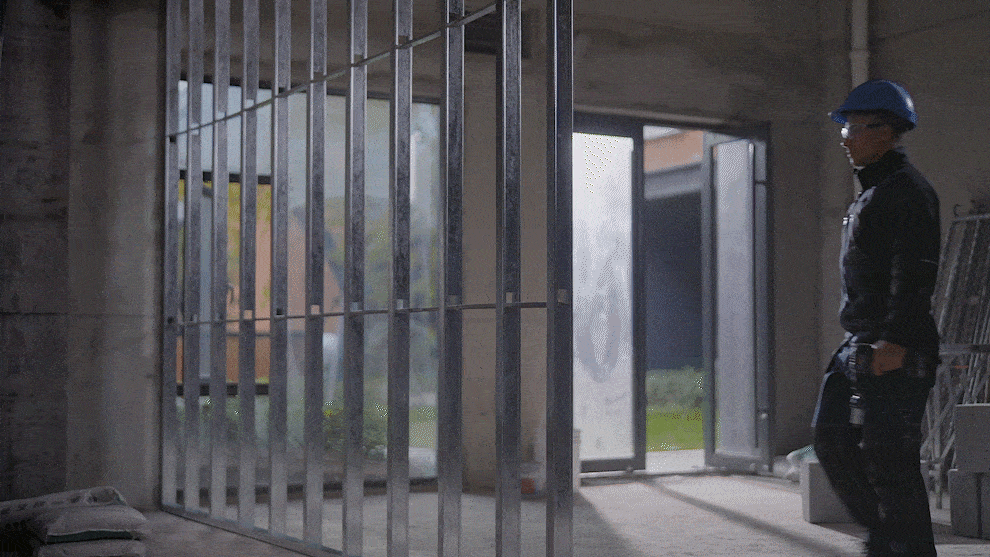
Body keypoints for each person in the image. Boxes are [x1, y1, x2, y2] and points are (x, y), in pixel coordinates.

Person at [813, 79, 941, 557]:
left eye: (852, 128)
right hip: (860, 342)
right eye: (844, 129)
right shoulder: (873, 193)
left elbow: (915, 273)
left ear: (885, 130)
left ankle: (905, 548)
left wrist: (894, 341)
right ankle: (887, 539)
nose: (845, 138)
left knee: (891, 461)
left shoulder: (908, 192)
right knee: (830, 438)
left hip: (895, 346)